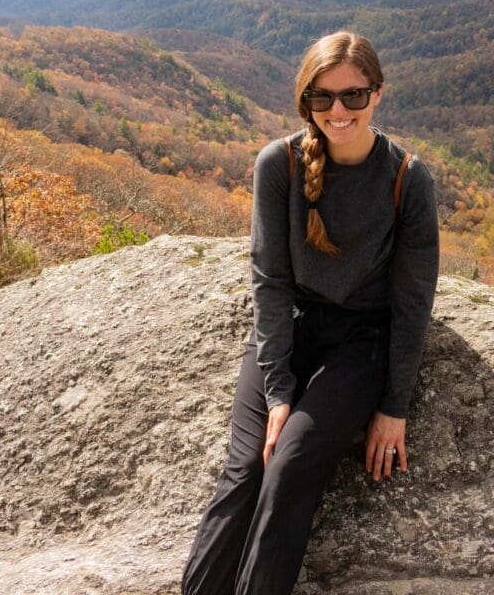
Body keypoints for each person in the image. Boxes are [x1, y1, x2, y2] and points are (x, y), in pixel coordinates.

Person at [181, 31, 439, 595]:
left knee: (290, 467)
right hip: (293, 330)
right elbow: (270, 279)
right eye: (322, 99)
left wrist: (394, 407)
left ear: (378, 95)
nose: (338, 110)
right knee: (247, 467)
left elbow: (414, 301)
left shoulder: (407, 178)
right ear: (306, 102)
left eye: (352, 95)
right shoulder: (281, 164)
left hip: (361, 341)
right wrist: (278, 391)